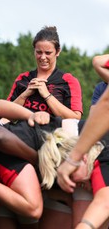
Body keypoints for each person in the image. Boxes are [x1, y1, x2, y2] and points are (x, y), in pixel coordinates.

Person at [57, 87, 109, 228]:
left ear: (84, 158)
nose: (72, 182)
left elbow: (104, 202)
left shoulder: (102, 157)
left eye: (71, 175)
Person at [7, 26, 83, 120]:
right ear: (34, 51)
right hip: (22, 132)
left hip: (53, 133)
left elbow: (75, 118)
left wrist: (47, 95)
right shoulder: (23, 78)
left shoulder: (69, 81)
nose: (43, 57)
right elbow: (4, 113)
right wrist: (24, 95)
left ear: (57, 52)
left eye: (48, 53)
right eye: (39, 52)